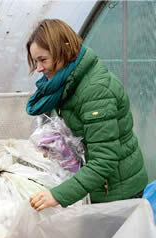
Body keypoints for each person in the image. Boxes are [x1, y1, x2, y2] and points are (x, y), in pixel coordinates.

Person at [25, 19, 148, 211]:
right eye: (36, 61)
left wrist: (57, 195)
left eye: (43, 60)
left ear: (63, 50)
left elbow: (104, 160)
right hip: (101, 186)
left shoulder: (95, 92)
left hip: (118, 192)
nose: (39, 68)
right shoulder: (68, 83)